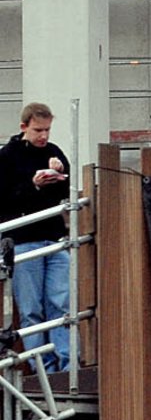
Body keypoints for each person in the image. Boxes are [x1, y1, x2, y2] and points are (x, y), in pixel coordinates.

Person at [0, 103, 71, 372]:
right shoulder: (7, 156)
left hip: (52, 238)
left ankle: (66, 364)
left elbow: (65, 191)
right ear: (24, 127)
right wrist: (33, 185)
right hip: (23, 241)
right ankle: (44, 368)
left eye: (47, 130)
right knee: (32, 309)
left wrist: (59, 173)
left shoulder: (54, 152)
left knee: (60, 303)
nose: (43, 136)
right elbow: (5, 200)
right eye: (38, 130)